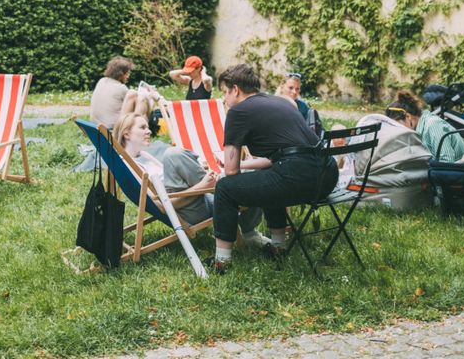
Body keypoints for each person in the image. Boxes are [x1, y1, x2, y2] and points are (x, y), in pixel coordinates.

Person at [211, 64, 338, 273]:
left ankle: (221, 262)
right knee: (271, 177)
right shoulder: (282, 102)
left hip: (296, 178)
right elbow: (278, 158)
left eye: (225, 92)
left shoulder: (238, 111)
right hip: (326, 176)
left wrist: (231, 166)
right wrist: (242, 163)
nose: (225, 99)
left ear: (235, 89)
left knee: (225, 188)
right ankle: (278, 248)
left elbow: (231, 173)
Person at [113, 112, 268, 246]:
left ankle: (249, 232)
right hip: (189, 210)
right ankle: (224, 186)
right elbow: (161, 206)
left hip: (203, 196)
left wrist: (200, 179)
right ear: (126, 133)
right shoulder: (128, 166)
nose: (148, 131)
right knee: (172, 154)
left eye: (147, 127)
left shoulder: (143, 156)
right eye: (142, 127)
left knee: (253, 175)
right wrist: (201, 187)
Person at [385, 91, 464, 163]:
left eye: (398, 125)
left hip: (457, 173)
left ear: (408, 117)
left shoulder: (433, 125)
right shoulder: (417, 129)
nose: (398, 129)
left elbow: (447, 161)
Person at [89, 57, 157, 129]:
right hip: (112, 128)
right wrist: (150, 99)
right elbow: (138, 108)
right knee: (141, 99)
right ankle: (139, 128)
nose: (128, 76)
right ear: (120, 74)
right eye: (127, 73)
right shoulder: (121, 88)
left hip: (95, 125)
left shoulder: (101, 81)